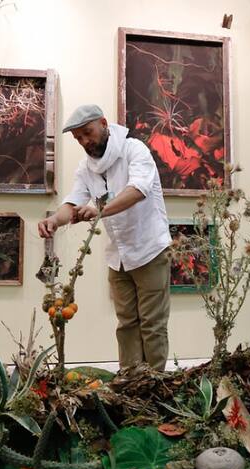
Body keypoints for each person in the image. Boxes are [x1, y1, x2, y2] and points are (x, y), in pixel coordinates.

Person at [38, 105, 172, 371]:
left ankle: (155, 383)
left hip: (150, 251)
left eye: (88, 133)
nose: (85, 141)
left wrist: (99, 210)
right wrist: (54, 220)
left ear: (103, 123)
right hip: (118, 258)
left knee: (152, 324)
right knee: (126, 324)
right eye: (78, 138)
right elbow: (73, 202)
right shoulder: (86, 168)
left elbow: (137, 190)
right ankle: (130, 380)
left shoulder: (134, 150)